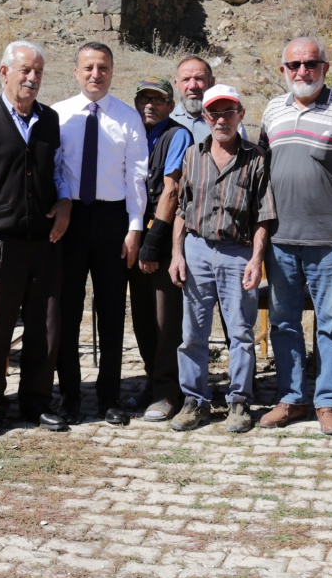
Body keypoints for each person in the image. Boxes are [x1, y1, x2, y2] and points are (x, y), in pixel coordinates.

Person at [0, 40, 72, 437]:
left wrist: (65, 201)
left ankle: (37, 400)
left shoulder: (50, 119)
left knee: (45, 323)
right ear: (5, 73)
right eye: (25, 70)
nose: (32, 78)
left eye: (38, 71)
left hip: (45, 241)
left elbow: (57, 171)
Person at [256, 37, 332, 437]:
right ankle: (291, 398)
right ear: (283, 69)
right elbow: (262, 175)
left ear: (325, 67)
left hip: (330, 241)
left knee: (330, 323)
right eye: (294, 64)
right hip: (281, 240)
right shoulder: (272, 110)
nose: (302, 71)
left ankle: (327, 401)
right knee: (284, 321)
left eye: (311, 63)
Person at [168, 85, 273, 434]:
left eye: (229, 112)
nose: (221, 119)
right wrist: (176, 254)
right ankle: (194, 401)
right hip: (196, 250)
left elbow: (263, 216)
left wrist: (256, 259)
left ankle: (240, 403)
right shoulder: (193, 155)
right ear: (206, 117)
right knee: (192, 334)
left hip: (237, 253)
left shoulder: (255, 158)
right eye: (214, 113)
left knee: (241, 333)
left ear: (241, 115)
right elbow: (182, 209)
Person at [53, 43, 147, 425]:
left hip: (113, 221)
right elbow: (54, 167)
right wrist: (62, 202)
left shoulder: (127, 118)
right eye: (88, 67)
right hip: (70, 219)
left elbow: (137, 176)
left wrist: (135, 227)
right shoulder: (58, 115)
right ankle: (70, 397)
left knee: (111, 312)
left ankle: (110, 397)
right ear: (76, 72)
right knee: (66, 311)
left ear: (112, 72)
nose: (96, 74)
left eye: (103, 68)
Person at [129, 78, 190, 422]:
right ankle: (152, 381)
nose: (150, 105)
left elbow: (171, 191)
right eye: (144, 99)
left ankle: (169, 391)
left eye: (158, 100)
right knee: (141, 316)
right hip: (133, 239)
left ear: (170, 105)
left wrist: (152, 243)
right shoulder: (134, 132)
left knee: (165, 319)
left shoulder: (176, 135)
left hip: (160, 240)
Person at [171, 55, 215, 143]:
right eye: (186, 79)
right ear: (176, 84)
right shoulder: (165, 119)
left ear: (211, 83)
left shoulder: (227, 121)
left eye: (199, 78)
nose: (192, 86)